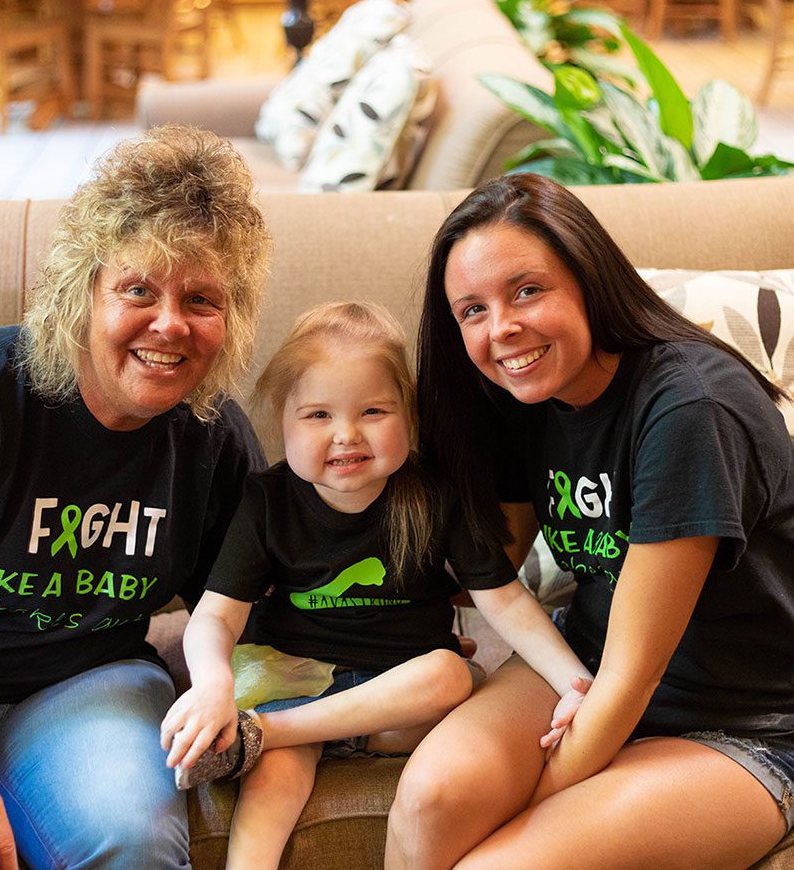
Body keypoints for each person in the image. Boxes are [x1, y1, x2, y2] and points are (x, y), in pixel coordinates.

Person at [384, 172, 794, 868]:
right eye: (472, 311)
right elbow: (489, 570)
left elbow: (637, 673)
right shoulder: (526, 400)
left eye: (526, 290)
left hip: (745, 721)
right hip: (582, 666)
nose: (501, 329)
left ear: (588, 277)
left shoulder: (689, 407)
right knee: (430, 802)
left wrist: (534, 804)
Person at [0, 125, 272, 870]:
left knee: (132, 837)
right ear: (84, 293)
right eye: (138, 289)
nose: (169, 324)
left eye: (200, 298)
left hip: (91, 683)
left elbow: (257, 609)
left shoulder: (211, 436)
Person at [159, 300, 593, 870]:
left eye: (373, 411)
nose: (346, 435)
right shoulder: (267, 500)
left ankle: (268, 732)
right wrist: (211, 681)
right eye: (317, 415)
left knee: (451, 674)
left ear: (408, 420)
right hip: (298, 672)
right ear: (281, 421)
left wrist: (575, 682)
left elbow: (505, 598)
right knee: (277, 777)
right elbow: (217, 615)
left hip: (400, 688)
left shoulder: (434, 494)